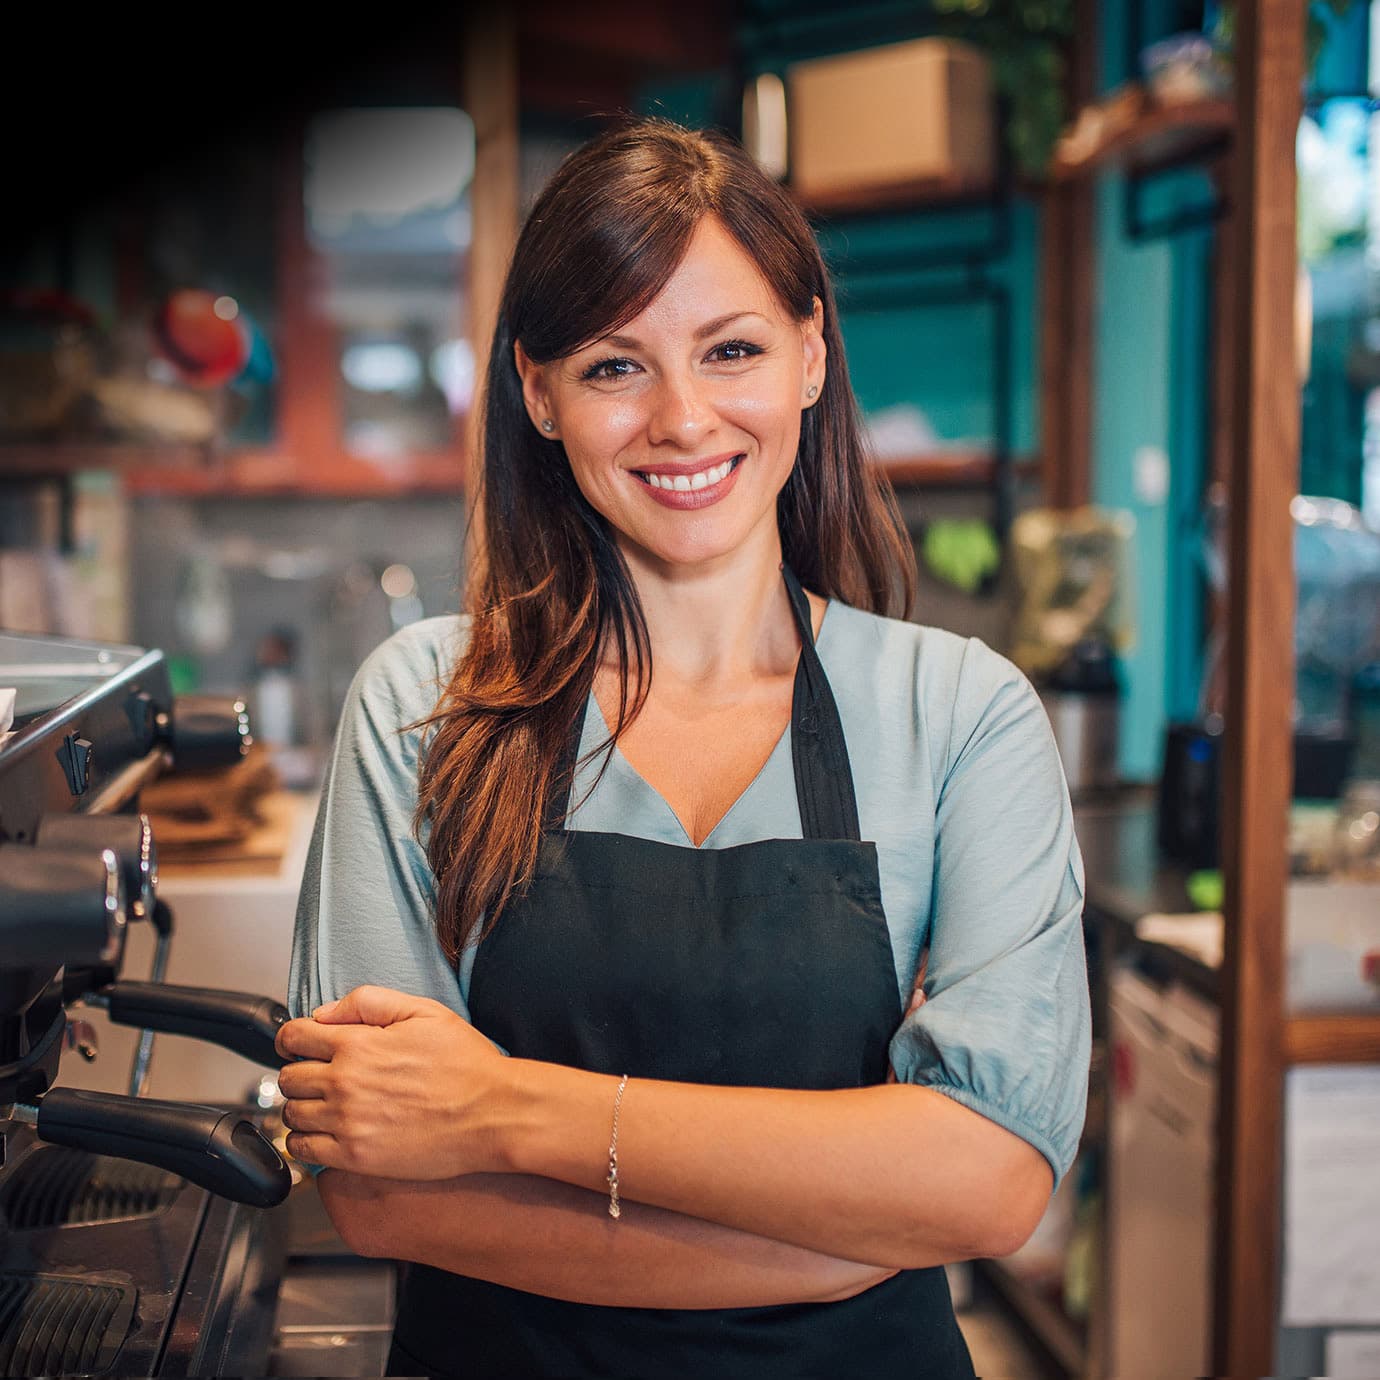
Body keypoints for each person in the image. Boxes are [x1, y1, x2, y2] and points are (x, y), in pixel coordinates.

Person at [277, 116, 1090, 1380]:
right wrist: (848, 1226)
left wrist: (501, 1110)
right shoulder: (424, 703)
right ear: (537, 392)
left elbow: (987, 1182)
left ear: (811, 358)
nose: (683, 417)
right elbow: (383, 1196)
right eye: (614, 367)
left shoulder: (959, 713)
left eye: (733, 350)